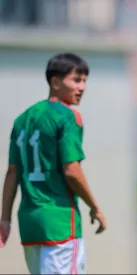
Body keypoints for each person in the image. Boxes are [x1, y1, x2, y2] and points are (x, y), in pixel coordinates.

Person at [0, 52, 107, 274]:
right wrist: (94, 207)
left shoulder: (22, 119)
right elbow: (71, 170)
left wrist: (5, 219)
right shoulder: (68, 116)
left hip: (30, 224)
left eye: (85, 81)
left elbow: (12, 172)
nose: (82, 87)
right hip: (59, 222)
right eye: (76, 80)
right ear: (55, 82)